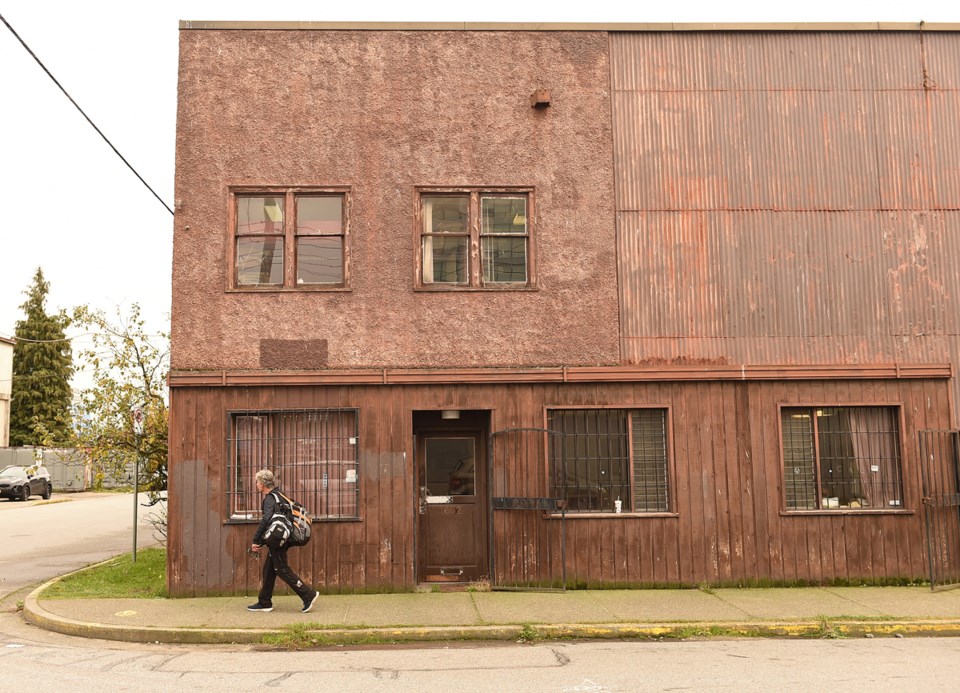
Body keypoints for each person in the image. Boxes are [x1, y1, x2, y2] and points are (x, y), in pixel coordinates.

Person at [247, 469, 319, 613]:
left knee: (281, 569)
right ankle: (264, 602)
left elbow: (266, 520)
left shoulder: (269, 498)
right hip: (282, 538)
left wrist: (256, 540)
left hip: (279, 540)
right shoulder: (279, 495)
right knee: (269, 569)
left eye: (257, 482)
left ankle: (308, 595)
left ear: (262, 483)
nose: (256, 484)